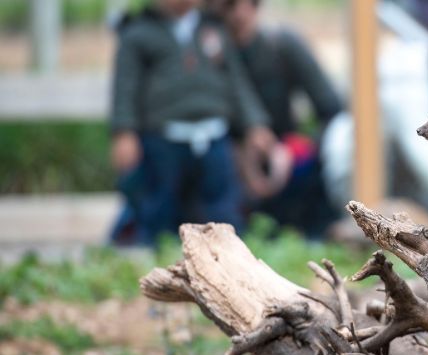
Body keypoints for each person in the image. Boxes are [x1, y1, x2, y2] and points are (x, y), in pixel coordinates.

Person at [109, 0, 272, 245]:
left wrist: (255, 123)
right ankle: (154, 259)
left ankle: (228, 258)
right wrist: (124, 132)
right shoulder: (138, 34)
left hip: (214, 136)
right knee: (158, 210)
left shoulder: (214, 30)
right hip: (163, 140)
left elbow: (236, 82)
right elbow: (125, 88)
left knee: (222, 210)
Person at [220, 0, 344, 238]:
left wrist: (293, 148)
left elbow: (330, 108)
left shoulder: (281, 45)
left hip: (287, 158)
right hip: (232, 161)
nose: (236, 12)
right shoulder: (211, 52)